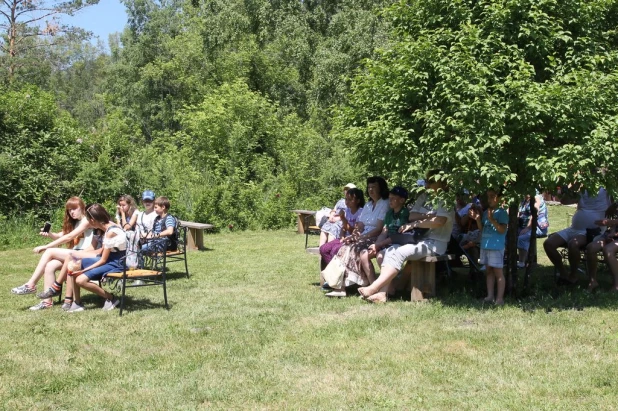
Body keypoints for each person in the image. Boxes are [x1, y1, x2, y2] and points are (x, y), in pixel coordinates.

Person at [357, 170, 454, 303]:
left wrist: (415, 224)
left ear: (442, 183)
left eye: (431, 181)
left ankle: (374, 288)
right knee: (388, 251)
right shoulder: (424, 196)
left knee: (399, 252)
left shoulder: (445, 199)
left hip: (435, 243)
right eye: (426, 181)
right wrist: (428, 217)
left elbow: (440, 221)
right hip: (417, 239)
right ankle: (383, 294)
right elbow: (411, 215)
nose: (426, 184)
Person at [11, 197, 94, 311]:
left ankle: (31, 285)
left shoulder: (86, 220)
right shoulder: (75, 223)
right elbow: (61, 235)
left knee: (50, 251)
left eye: (75, 208)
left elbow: (68, 237)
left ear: (82, 208)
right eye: (69, 210)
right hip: (74, 255)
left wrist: (46, 246)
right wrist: (49, 234)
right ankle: (47, 302)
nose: (72, 212)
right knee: (50, 266)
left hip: (83, 255)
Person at [324, 176, 389, 297]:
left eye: (374, 187)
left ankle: (370, 285)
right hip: (364, 235)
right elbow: (361, 224)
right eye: (369, 187)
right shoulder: (369, 205)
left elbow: (379, 228)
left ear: (381, 188)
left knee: (353, 249)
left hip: (377, 236)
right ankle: (340, 287)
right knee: (344, 247)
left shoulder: (385, 203)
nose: (370, 190)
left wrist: (362, 237)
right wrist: (355, 234)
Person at [543, 186, 612, 285]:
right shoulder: (583, 188)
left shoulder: (607, 189)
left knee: (573, 244)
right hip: (574, 228)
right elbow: (564, 201)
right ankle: (563, 273)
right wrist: (575, 186)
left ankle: (573, 275)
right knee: (548, 244)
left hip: (592, 231)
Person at [65, 204, 126, 312]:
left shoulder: (111, 232)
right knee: (73, 264)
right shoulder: (107, 228)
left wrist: (84, 270)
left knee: (80, 280)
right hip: (109, 260)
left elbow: (103, 260)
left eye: (88, 220)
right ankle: (77, 303)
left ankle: (110, 298)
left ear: (93, 220)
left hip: (116, 263)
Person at [359, 186, 409, 287]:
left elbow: (398, 236)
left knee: (380, 256)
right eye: (389, 198)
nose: (389, 200)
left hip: (398, 243)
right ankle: (373, 285)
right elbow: (384, 231)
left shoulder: (405, 213)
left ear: (402, 200)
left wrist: (379, 245)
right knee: (364, 255)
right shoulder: (389, 213)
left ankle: (389, 287)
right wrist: (376, 245)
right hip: (387, 242)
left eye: (393, 198)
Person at [471, 189, 509, 305]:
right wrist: (478, 219)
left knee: (498, 272)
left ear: (500, 199)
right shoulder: (487, 211)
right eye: (488, 197)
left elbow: (502, 230)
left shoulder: (501, 212)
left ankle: (500, 299)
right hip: (485, 245)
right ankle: (489, 296)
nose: (490, 199)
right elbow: (483, 229)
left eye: (493, 196)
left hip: (496, 246)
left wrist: (492, 219)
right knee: (489, 271)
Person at [319, 188, 364, 268]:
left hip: (353, 239)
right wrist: (342, 236)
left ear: (358, 201)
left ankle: (337, 274)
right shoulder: (347, 210)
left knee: (335, 250)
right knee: (323, 249)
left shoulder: (361, 212)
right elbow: (343, 228)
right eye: (346, 199)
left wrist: (343, 218)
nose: (347, 201)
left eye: (350, 199)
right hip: (343, 238)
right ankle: (332, 273)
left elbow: (354, 232)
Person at [585, 214, 618, 292]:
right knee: (591, 247)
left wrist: (610, 221)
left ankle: (616, 284)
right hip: (612, 234)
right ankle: (592, 281)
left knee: (608, 250)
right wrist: (612, 233)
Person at [516, 193, 549, 268]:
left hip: (537, 227)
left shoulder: (536, 197)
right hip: (522, 226)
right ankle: (507, 259)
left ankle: (521, 262)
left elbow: (534, 214)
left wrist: (528, 228)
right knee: (508, 234)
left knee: (522, 238)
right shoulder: (523, 198)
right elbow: (519, 212)